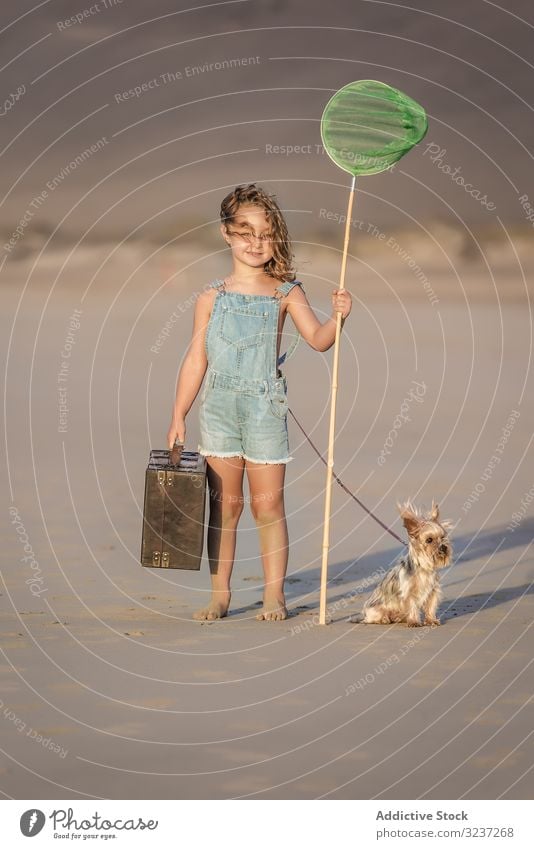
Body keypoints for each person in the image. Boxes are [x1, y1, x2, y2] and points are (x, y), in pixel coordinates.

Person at [167, 184, 351, 621]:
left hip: (265, 407)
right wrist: (178, 414)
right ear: (226, 234)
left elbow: (319, 341)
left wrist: (340, 317)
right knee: (225, 506)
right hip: (219, 407)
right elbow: (196, 358)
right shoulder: (210, 296)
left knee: (266, 505)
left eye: (265, 234)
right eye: (245, 231)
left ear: (276, 238)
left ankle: (274, 595)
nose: (255, 243)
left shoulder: (286, 291)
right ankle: (220, 594)